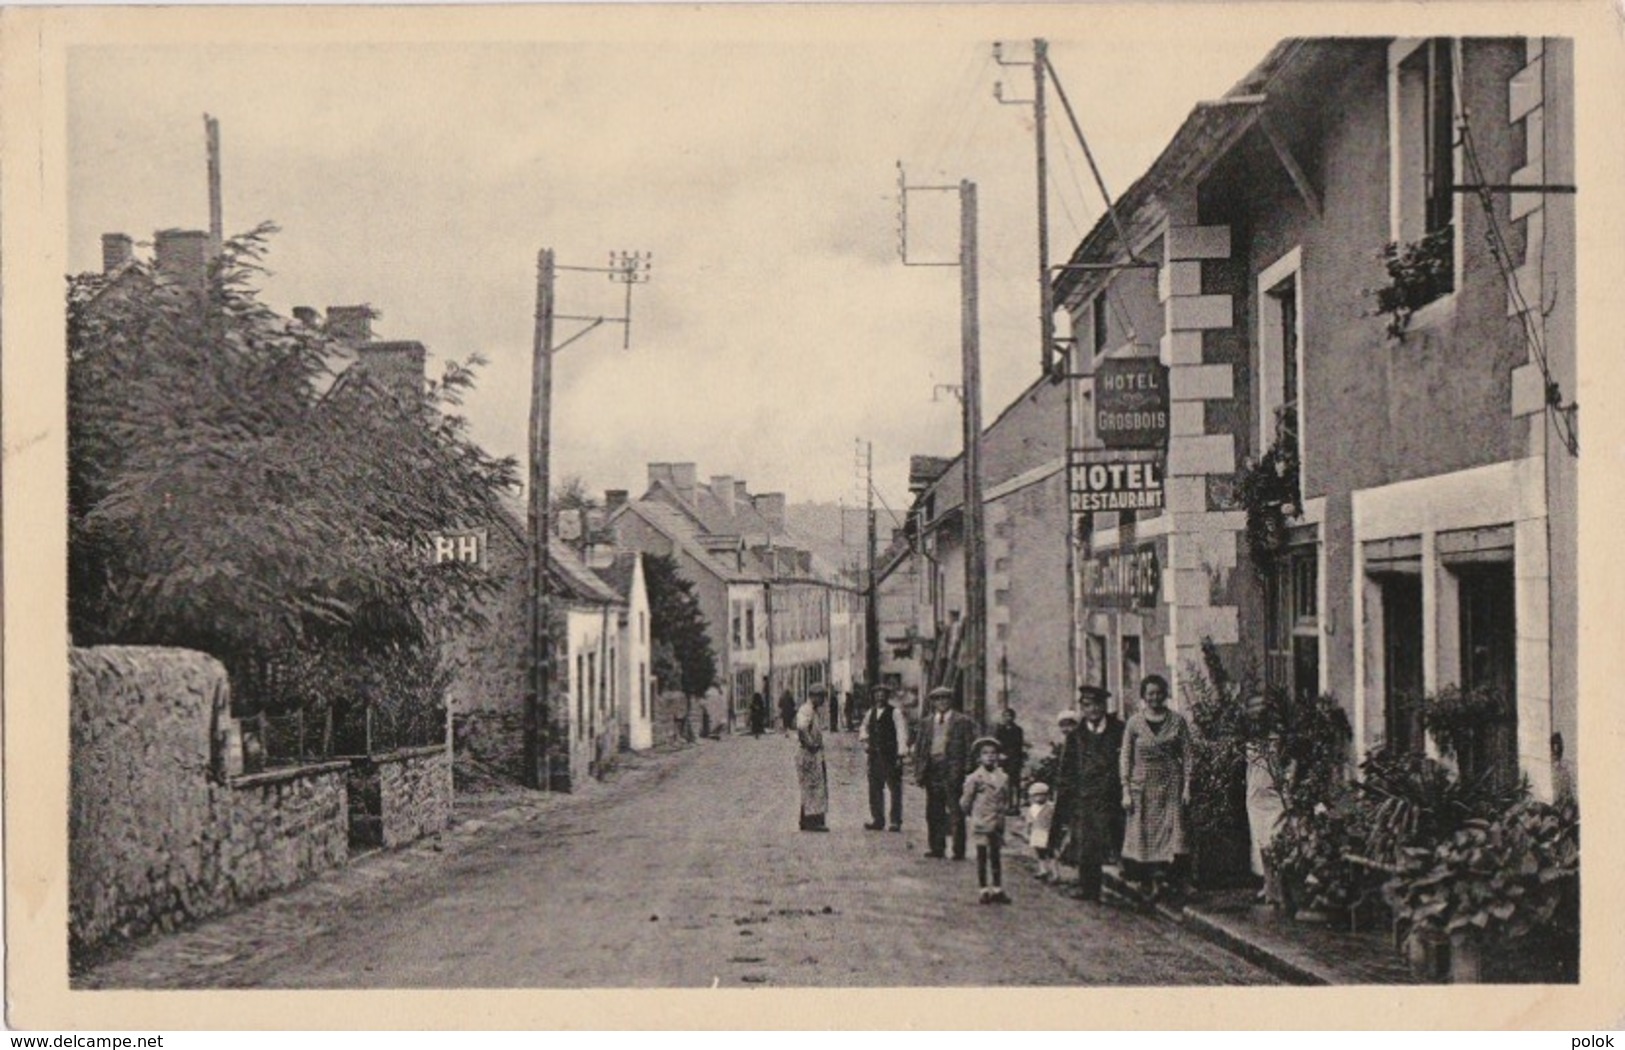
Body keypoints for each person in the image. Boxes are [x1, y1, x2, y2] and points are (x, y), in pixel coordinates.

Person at [1120, 674, 1192, 901]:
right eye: (1150, 693)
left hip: (1171, 783)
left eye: (1159, 693)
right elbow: (1125, 756)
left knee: (1173, 832)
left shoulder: (1177, 721)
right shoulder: (1134, 723)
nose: (1155, 698)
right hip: (1142, 785)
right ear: (1143, 696)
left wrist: (1187, 786)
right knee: (1144, 833)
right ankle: (1148, 881)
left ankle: (1168, 880)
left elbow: (1188, 755)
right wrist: (1125, 789)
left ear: (1165, 694)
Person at [1053, 686, 1125, 903]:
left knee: (1118, 840)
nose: (1093, 710)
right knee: (1087, 844)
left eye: (1097, 705)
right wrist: (1067, 796)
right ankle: (1090, 889)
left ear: (1105, 707)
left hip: (1115, 796)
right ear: (1082, 708)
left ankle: (1135, 882)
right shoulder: (1076, 736)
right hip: (1086, 798)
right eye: (1087, 705)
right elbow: (1067, 770)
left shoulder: (1119, 731)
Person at [913, 686, 975, 860]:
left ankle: (958, 850)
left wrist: (966, 770)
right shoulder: (927, 722)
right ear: (932, 702)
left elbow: (970, 747)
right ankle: (937, 847)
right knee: (933, 811)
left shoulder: (962, 721)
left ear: (950, 701)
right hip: (932, 770)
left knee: (955, 811)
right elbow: (920, 748)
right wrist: (919, 770)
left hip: (953, 770)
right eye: (937, 699)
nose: (941, 702)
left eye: (945, 698)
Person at [1243, 694, 1287, 905]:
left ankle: (1278, 887)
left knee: (1275, 840)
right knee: (1261, 842)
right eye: (1254, 713)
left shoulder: (1277, 738)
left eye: (1261, 713)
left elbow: (1285, 766)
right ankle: (1268, 886)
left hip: (1275, 795)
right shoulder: (1249, 739)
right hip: (1255, 795)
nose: (1257, 717)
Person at [961, 738, 1012, 903]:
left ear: (998, 756)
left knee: (996, 856)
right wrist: (973, 816)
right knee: (982, 856)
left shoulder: (1003, 777)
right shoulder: (975, 778)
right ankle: (983, 889)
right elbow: (965, 801)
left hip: (997, 822)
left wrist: (1002, 813)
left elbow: (1006, 798)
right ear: (979, 758)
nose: (990, 757)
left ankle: (997, 889)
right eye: (985, 753)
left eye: (993, 753)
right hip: (982, 822)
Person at [860, 685, 909, 831]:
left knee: (894, 788)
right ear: (874, 696)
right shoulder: (871, 712)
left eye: (883, 694)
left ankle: (895, 820)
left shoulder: (895, 713)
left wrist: (901, 754)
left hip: (890, 755)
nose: (880, 697)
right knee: (875, 788)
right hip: (875, 756)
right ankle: (878, 819)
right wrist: (865, 741)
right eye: (877, 694)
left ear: (887, 696)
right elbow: (864, 727)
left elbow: (901, 732)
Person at [794, 686, 830, 831]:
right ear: (814, 696)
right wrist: (810, 744)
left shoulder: (812, 710)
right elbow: (802, 728)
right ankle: (813, 822)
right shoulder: (806, 709)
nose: (823, 701)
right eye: (821, 697)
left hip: (812, 753)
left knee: (813, 786)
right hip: (808, 753)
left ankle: (807, 820)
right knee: (813, 787)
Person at [994, 708, 1027, 815]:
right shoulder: (1000, 730)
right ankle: (1005, 805)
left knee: (1014, 783)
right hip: (1003, 761)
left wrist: (1009, 755)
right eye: (1005, 716)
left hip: (1014, 760)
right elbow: (997, 743)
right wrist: (1000, 755)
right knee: (1004, 782)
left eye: (1009, 716)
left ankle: (1015, 806)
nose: (1007, 718)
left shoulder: (1017, 730)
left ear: (1013, 717)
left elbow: (1018, 745)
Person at [1025, 781, 1057, 883]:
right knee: (1039, 852)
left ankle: (1055, 873)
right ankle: (1043, 870)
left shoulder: (1051, 807)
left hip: (1047, 832)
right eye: (1035, 795)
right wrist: (1028, 830)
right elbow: (1029, 821)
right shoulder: (1032, 808)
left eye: (1041, 795)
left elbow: (1054, 820)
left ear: (1046, 796)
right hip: (1036, 832)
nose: (1038, 798)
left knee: (1050, 852)